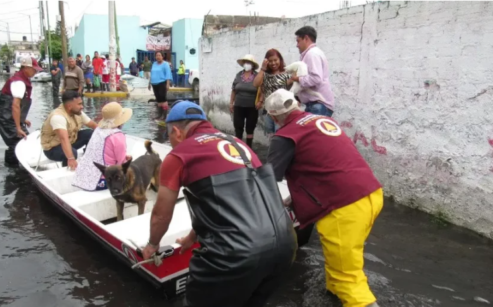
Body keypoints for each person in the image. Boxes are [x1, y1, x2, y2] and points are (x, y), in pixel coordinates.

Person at [142, 101, 297, 307]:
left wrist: (153, 244)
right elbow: (225, 202)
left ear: (177, 132)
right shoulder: (238, 144)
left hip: (236, 255)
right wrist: (192, 237)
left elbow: (161, 214)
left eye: (169, 137)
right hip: (285, 245)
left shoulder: (179, 155)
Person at [265, 89, 383, 307]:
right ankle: (334, 294)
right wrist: (293, 199)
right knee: (341, 259)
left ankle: (352, 297)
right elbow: (324, 164)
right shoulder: (322, 120)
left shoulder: (285, 136)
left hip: (343, 207)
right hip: (370, 193)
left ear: (273, 117)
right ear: (297, 105)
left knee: (348, 277)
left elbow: (267, 180)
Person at [0, 56, 43, 166]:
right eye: (34, 69)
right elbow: (15, 105)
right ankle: (12, 169)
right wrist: (18, 127)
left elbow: (17, 105)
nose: (35, 72)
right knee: (18, 141)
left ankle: (16, 168)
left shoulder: (22, 79)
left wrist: (22, 119)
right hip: (4, 117)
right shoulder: (19, 82)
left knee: (24, 141)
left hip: (8, 115)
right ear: (25, 68)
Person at [72, 102, 133, 191]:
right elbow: (121, 164)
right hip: (101, 182)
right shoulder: (118, 136)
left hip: (82, 177)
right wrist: (127, 160)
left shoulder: (98, 130)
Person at [40, 91, 98, 170]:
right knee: (73, 153)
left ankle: (89, 160)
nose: (82, 107)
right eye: (79, 104)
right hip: (52, 149)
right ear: (69, 106)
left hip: (70, 141)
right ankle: (68, 171)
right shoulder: (58, 117)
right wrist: (71, 158)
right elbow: (63, 139)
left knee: (91, 134)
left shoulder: (77, 112)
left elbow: (94, 126)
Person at [291, 26, 335, 117]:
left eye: (298, 41)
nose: (297, 45)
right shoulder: (311, 53)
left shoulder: (312, 54)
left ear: (306, 38)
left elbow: (316, 78)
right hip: (315, 105)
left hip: (318, 106)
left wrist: (297, 79)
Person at [253, 49, 293, 136]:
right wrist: (262, 69)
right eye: (270, 61)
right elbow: (256, 84)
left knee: (279, 134)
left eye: (275, 60)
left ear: (280, 60)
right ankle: (272, 149)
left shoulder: (287, 74)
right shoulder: (265, 74)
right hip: (268, 112)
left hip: (281, 112)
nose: (273, 63)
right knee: (270, 135)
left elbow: (292, 91)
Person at [230, 54, 259, 148]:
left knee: (250, 128)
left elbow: (261, 90)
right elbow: (234, 90)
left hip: (252, 107)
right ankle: (239, 148)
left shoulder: (257, 76)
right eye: (245, 62)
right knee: (238, 128)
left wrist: (260, 101)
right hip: (238, 106)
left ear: (253, 65)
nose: (247, 64)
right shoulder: (238, 75)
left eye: (249, 62)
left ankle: (249, 147)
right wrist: (231, 103)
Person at [148, 51, 172, 121]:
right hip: (154, 83)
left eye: (159, 55)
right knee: (158, 99)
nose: (158, 57)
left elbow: (168, 74)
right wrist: (149, 83)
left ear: (162, 56)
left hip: (162, 83)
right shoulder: (154, 64)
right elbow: (152, 74)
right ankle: (159, 115)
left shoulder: (165, 64)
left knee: (163, 99)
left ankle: (164, 116)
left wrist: (167, 84)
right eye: (157, 55)